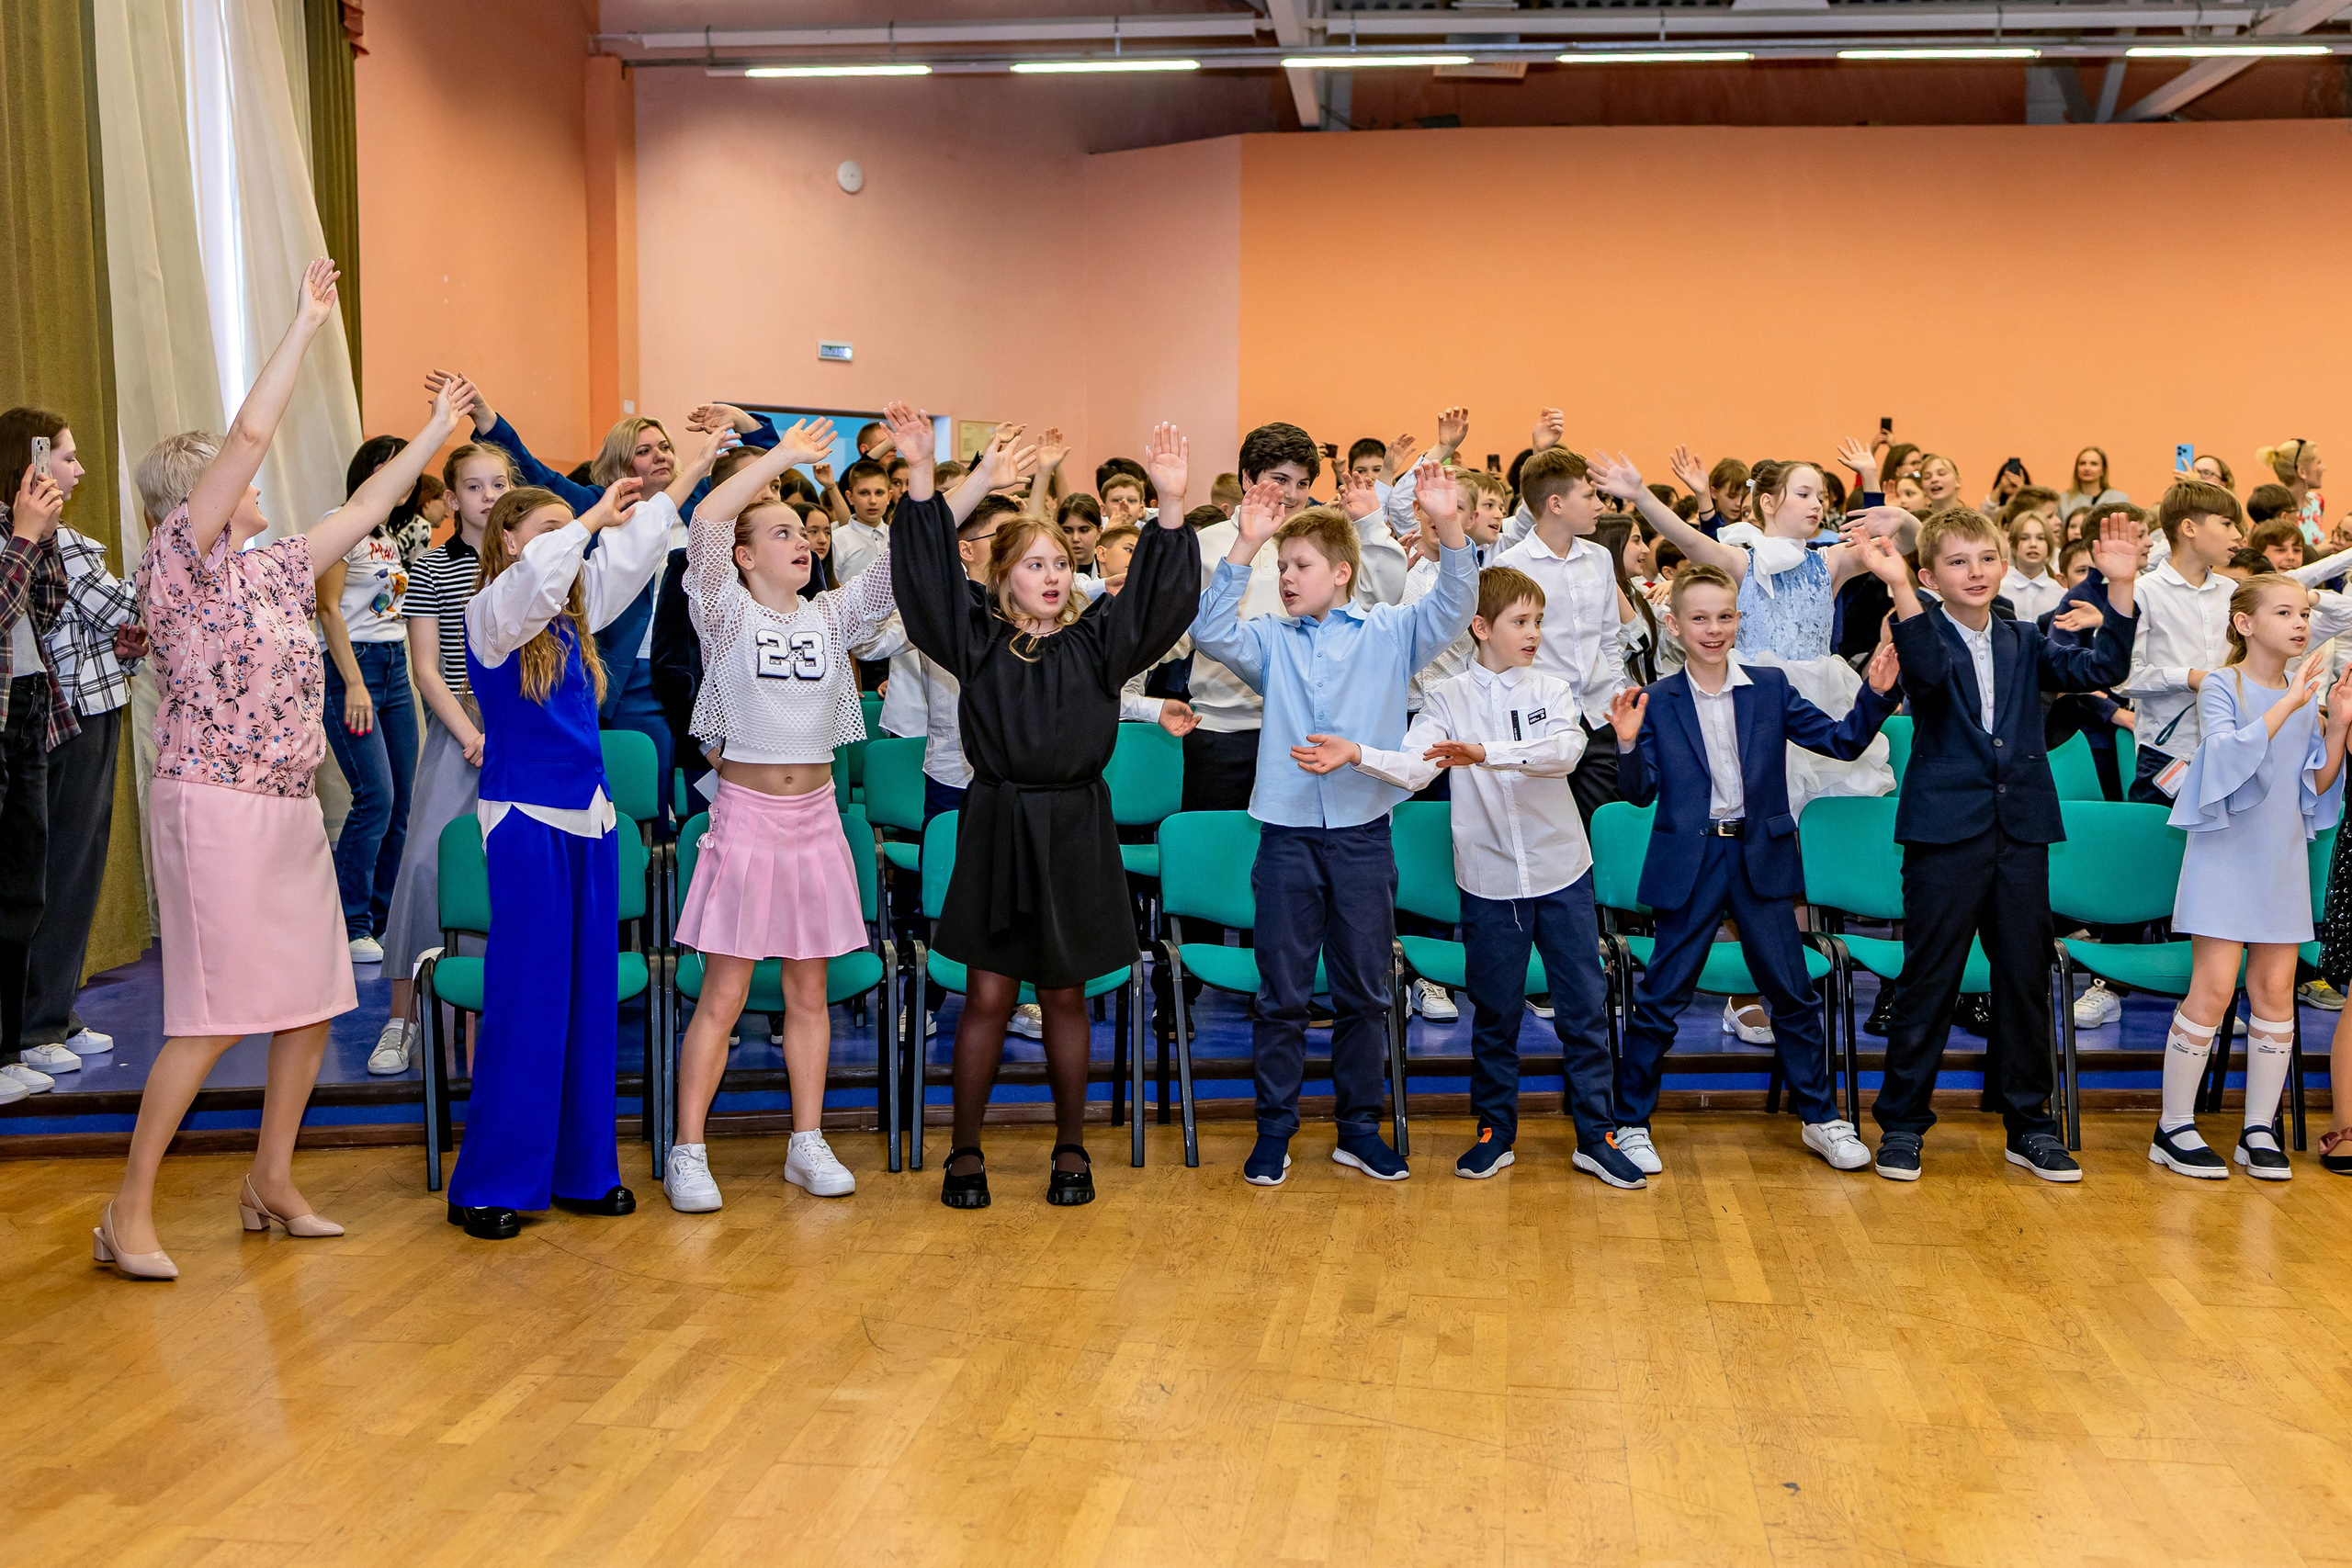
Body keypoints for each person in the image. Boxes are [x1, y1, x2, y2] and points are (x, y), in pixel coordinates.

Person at [99, 263, 463, 1277]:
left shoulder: (273, 567)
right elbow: (251, 434)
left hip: (287, 805)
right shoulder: (179, 563)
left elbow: (373, 503)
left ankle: (271, 1177)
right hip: (210, 807)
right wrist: (305, 325)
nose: (255, 480)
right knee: (213, 1016)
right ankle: (128, 1210)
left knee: (310, 999)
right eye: (233, 476)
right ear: (196, 494)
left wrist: (434, 432)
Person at [889, 407, 1197, 1210]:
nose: (1053, 575)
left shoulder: (1098, 644)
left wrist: (1169, 507)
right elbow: (920, 578)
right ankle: (965, 1151)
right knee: (988, 993)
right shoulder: (976, 641)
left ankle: (1071, 1146)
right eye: (1033, 564)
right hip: (996, 824)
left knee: (1064, 992)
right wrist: (925, 476)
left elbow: (1159, 605)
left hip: (1073, 829)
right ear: (1001, 579)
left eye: (1061, 561)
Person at [444, 441, 713, 1241]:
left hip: (591, 821)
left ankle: (581, 1168)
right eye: (555, 527)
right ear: (512, 539)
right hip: (524, 821)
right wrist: (587, 514)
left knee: (591, 1002)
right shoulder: (491, 611)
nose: (579, 537)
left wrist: (691, 466)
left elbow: (634, 548)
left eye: (576, 526)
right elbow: (544, 574)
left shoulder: (574, 609)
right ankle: (490, 1181)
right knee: (527, 1001)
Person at [1192, 459, 1476, 1187]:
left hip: (1360, 834)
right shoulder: (1272, 641)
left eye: (1300, 564)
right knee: (1280, 994)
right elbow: (1210, 628)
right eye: (1282, 566)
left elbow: (1454, 601)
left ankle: (1358, 1128)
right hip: (1285, 837)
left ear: (1342, 572)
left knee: (1364, 991)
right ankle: (1274, 1131)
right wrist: (1245, 546)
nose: (1287, 577)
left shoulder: (1389, 632)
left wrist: (1447, 525)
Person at [1858, 507, 2143, 1184]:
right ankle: (1902, 1122)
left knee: (2024, 977)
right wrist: (1899, 588)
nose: (1975, 571)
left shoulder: (2024, 637)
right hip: (1944, 832)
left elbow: (2104, 663)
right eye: (1956, 562)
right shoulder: (1920, 630)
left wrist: (2122, 590)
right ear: (1930, 574)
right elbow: (1924, 674)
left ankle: (2029, 1123)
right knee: (1929, 978)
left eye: (1985, 558)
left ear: (2005, 563)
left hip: (2020, 833)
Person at [1609, 562, 1902, 1175]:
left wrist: (1875, 694)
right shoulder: (1658, 700)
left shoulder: (1769, 687)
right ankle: (1630, 1121)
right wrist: (1629, 743)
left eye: (1724, 616)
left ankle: (1821, 1117)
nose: (1713, 629)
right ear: (1674, 624)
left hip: (1760, 855)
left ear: (1738, 620)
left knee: (1792, 995)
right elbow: (1639, 794)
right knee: (1662, 996)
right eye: (1699, 618)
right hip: (1692, 858)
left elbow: (1843, 741)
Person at [663, 419, 889, 1213]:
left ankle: (806, 1139)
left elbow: (903, 561)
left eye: (805, 533)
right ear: (746, 556)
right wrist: (784, 458)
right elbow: (703, 521)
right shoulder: (725, 613)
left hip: (818, 821)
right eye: (781, 532)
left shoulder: (831, 616)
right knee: (722, 996)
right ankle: (687, 1148)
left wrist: (944, 482)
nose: (801, 543)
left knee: (808, 992)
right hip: (747, 819)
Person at [1343, 563, 1629, 1184]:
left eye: (1539, 621)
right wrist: (1357, 754)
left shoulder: (1553, 689)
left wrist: (1487, 753)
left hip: (1561, 872)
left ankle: (1595, 1134)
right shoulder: (1447, 698)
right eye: (1520, 621)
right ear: (1480, 626)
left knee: (1582, 1006)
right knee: (1496, 1012)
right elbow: (1416, 768)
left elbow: (1564, 753)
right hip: (1489, 881)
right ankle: (1494, 1131)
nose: (1533, 633)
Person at [2153, 576, 2351, 1180]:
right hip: (2225, 859)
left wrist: (2336, 726)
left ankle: (2258, 1127)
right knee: (2212, 991)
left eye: (2303, 613)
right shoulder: (2222, 685)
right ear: (2244, 623)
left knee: (2273, 991)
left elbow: (2312, 789)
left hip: (2281, 859)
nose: (2299, 623)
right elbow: (2224, 760)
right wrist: (2291, 705)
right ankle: (2173, 1126)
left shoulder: (2303, 693)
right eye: (2284, 611)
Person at [3, 409, 140, 1083]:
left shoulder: (64, 540)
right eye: (66, 456)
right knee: (40, 878)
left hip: (74, 707)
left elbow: (84, 619)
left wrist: (128, 646)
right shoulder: (30, 541)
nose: (78, 469)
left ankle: (52, 1013)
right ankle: (32, 1025)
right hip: (53, 718)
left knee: (66, 875)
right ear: (27, 463)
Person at [370, 438, 514, 1074]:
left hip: (521, 738)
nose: (490, 496)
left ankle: (495, 1018)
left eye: (500, 482)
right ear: (451, 499)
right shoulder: (432, 567)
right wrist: (468, 733)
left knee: (504, 873)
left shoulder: (529, 560)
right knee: (426, 867)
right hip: (461, 735)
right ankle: (401, 1020)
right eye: (476, 486)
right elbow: (427, 668)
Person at [315, 441, 422, 964]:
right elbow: (329, 610)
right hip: (351, 669)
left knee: (403, 799)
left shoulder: (385, 534)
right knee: (374, 796)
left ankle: (382, 920)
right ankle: (349, 922)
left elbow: (383, 605)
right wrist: (354, 682)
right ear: (377, 471)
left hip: (394, 665)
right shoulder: (343, 522)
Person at [1493, 446, 1637, 826]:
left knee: (1603, 823)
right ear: (1555, 503)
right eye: (1589, 496)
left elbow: (1609, 639)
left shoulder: (1600, 558)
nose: (1600, 505)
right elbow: (1503, 654)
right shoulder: (1510, 565)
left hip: (1598, 714)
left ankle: (1601, 889)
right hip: (1540, 716)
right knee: (1545, 826)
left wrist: (1617, 695)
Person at [0, 446, 72, 1105]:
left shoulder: (14, 527)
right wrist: (25, 537)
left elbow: (43, 608)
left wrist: (37, 538)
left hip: (24, 708)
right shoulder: (9, 533)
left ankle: (9, 1047)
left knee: (23, 891)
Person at [2001, 498, 2066, 623]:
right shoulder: (1999, 589)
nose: (2033, 544)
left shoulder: (2060, 594)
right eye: (2024, 538)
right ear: (2013, 544)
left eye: (2041, 538)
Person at [2256, 439, 2327, 548]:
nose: (2324, 468)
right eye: (2318, 462)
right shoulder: (2275, 510)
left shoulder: (2317, 502)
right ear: (2302, 471)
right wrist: (2320, 551)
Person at [2059, 446, 2128, 523]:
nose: (2087, 468)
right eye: (2082, 463)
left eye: (2094, 464)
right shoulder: (2063, 500)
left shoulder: (2119, 499)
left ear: (2103, 470)